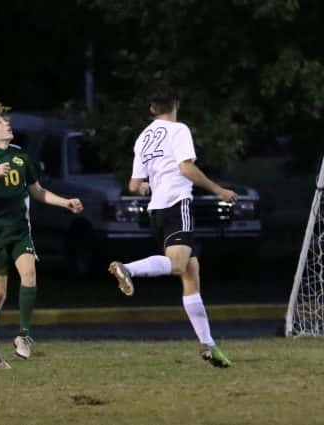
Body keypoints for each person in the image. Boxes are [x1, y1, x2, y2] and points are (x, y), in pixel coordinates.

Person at [108, 84, 236, 368]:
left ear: (152, 109)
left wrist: (148, 186)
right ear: (175, 103)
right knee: (178, 265)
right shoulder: (179, 130)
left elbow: (134, 184)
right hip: (178, 204)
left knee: (191, 272)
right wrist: (218, 190)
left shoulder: (142, 138)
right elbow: (186, 168)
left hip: (156, 210)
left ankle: (208, 345)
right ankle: (128, 268)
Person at [0, 96, 83, 369]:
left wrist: (66, 202)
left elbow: (37, 191)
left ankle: (24, 336)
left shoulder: (22, 156)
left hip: (20, 230)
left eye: (5, 121)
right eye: (0, 122)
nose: (6, 124)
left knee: (29, 274)